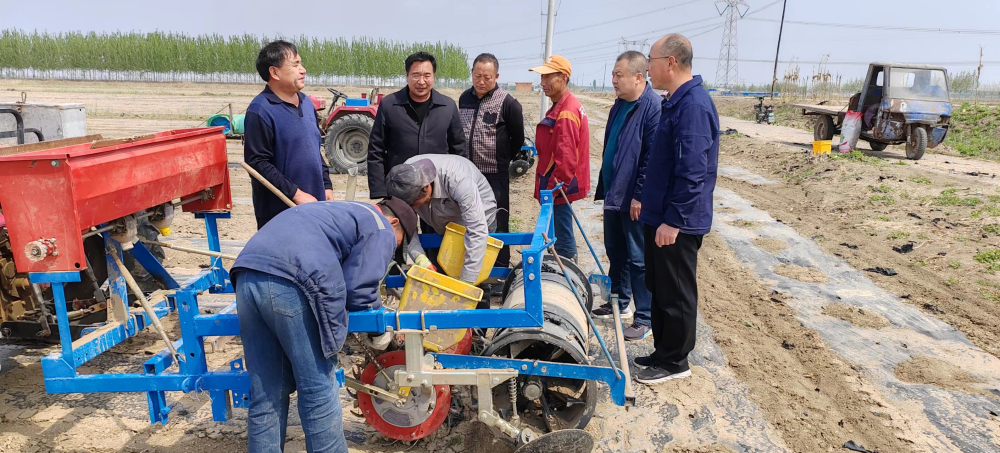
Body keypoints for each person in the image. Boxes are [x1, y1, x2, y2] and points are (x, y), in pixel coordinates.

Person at [231, 198, 416, 453]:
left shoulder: (341, 211)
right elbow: (359, 290)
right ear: (394, 222)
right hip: (291, 281)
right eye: (398, 243)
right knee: (316, 388)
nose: (392, 250)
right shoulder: (381, 226)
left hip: (247, 274)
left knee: (267, 391)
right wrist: (378, 330)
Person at [634, 34, 719, 384]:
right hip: (661, 217)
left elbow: (692, 171)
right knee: (660, 286)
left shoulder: (693, 106)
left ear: (670, 62)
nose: (647, 68)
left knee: (676, 291)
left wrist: (674, 220)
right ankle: (663, 351)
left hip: (677, 222)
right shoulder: (675, 101)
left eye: (650, 61)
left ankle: (675, 362)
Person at [592, 51, 661, 342]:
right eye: (613, 74)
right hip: (615, 192)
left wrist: (639, 195)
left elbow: (651, 158)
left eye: (619, 75)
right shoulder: (619, 105)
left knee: (638, 257)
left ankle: (644, 317)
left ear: (638, 77)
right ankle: (619, 302)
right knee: (616, 250)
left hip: (634, 198)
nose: (614, 80)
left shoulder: (652, 108)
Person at [244, 40, 333, 229]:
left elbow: (314, 149)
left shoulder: (306, 103)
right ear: (274, 72)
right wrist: (296, 194)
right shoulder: (260, 110)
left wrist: (326, 184)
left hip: (313, 206)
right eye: (295, 64)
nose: (303, 70)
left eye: (301, 63)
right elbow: (258, 164)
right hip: (281, 213)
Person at [386, 155, 497, 288]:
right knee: (440, 276)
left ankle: (481, 298)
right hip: (440, 222)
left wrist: (467, 283)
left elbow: (477, 231)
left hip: (477, 220)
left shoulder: (458, 180)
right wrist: (420, 257)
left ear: (426, 187)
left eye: (414, 205)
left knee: (477, 277)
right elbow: (406, 226)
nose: (413, 209)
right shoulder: (403, 178)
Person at [367, 51, 467, 200]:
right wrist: (379, 191)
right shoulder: (389, 105)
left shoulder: (448, 106)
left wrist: (458, 189)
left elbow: (458, 150)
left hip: (437, 190)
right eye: (416, 75)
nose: (421, 81)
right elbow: (376, 150)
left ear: (433, 76)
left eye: (427, 75)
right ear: (407, 76)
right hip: (399, 189)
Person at [459, 53, 525, 273]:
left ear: (496, 76)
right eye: (477, 76)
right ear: (472, 74)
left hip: (494, 175)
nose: (481, 81)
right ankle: (472, 267)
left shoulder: (508, 103)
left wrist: (502, 159)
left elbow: (517, 139)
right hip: (468, 174)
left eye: (487, 77)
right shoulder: (464, 99)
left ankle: (499, 269)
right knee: (469, 220)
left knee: (498, 220)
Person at [529, 55, 590, 261]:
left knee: (562, 233)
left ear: (563, 78)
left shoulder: (566, 112)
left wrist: (553, 191)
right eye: (542, 77)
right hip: (558, 183)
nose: (542, 82)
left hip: (559, 185)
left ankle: (567, 267)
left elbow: (566, 160)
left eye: (548, 77)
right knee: (560, 227)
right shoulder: (564, 105)